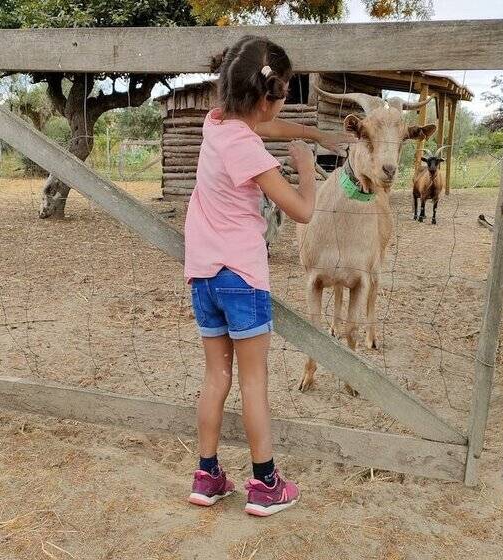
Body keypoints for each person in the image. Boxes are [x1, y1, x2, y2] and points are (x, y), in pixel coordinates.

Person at [184, 35, 353, 517]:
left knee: (216, 375)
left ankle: (207, 475)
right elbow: (300, 211)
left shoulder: (214, 125)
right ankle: (265, 484)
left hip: (204, 277)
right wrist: (304, 165)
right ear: (266, 97)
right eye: (281, 97)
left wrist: (313, 133)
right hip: (242, 276)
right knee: (253, 382)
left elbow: (265, 125)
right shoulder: (254, 156)